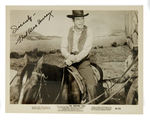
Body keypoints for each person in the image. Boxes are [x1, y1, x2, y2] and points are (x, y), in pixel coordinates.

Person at [61, 10, 96, 103]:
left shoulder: (89, 31)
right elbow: (63, 48)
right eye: (78, 19)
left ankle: (93, 106)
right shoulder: (67, 31)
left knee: (91, 86)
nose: (81, 21)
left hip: (83, 63)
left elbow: (86, 50)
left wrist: (74, 59)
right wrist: (68, 57)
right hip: (69, 61)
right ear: (73, 20)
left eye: (82, 19)